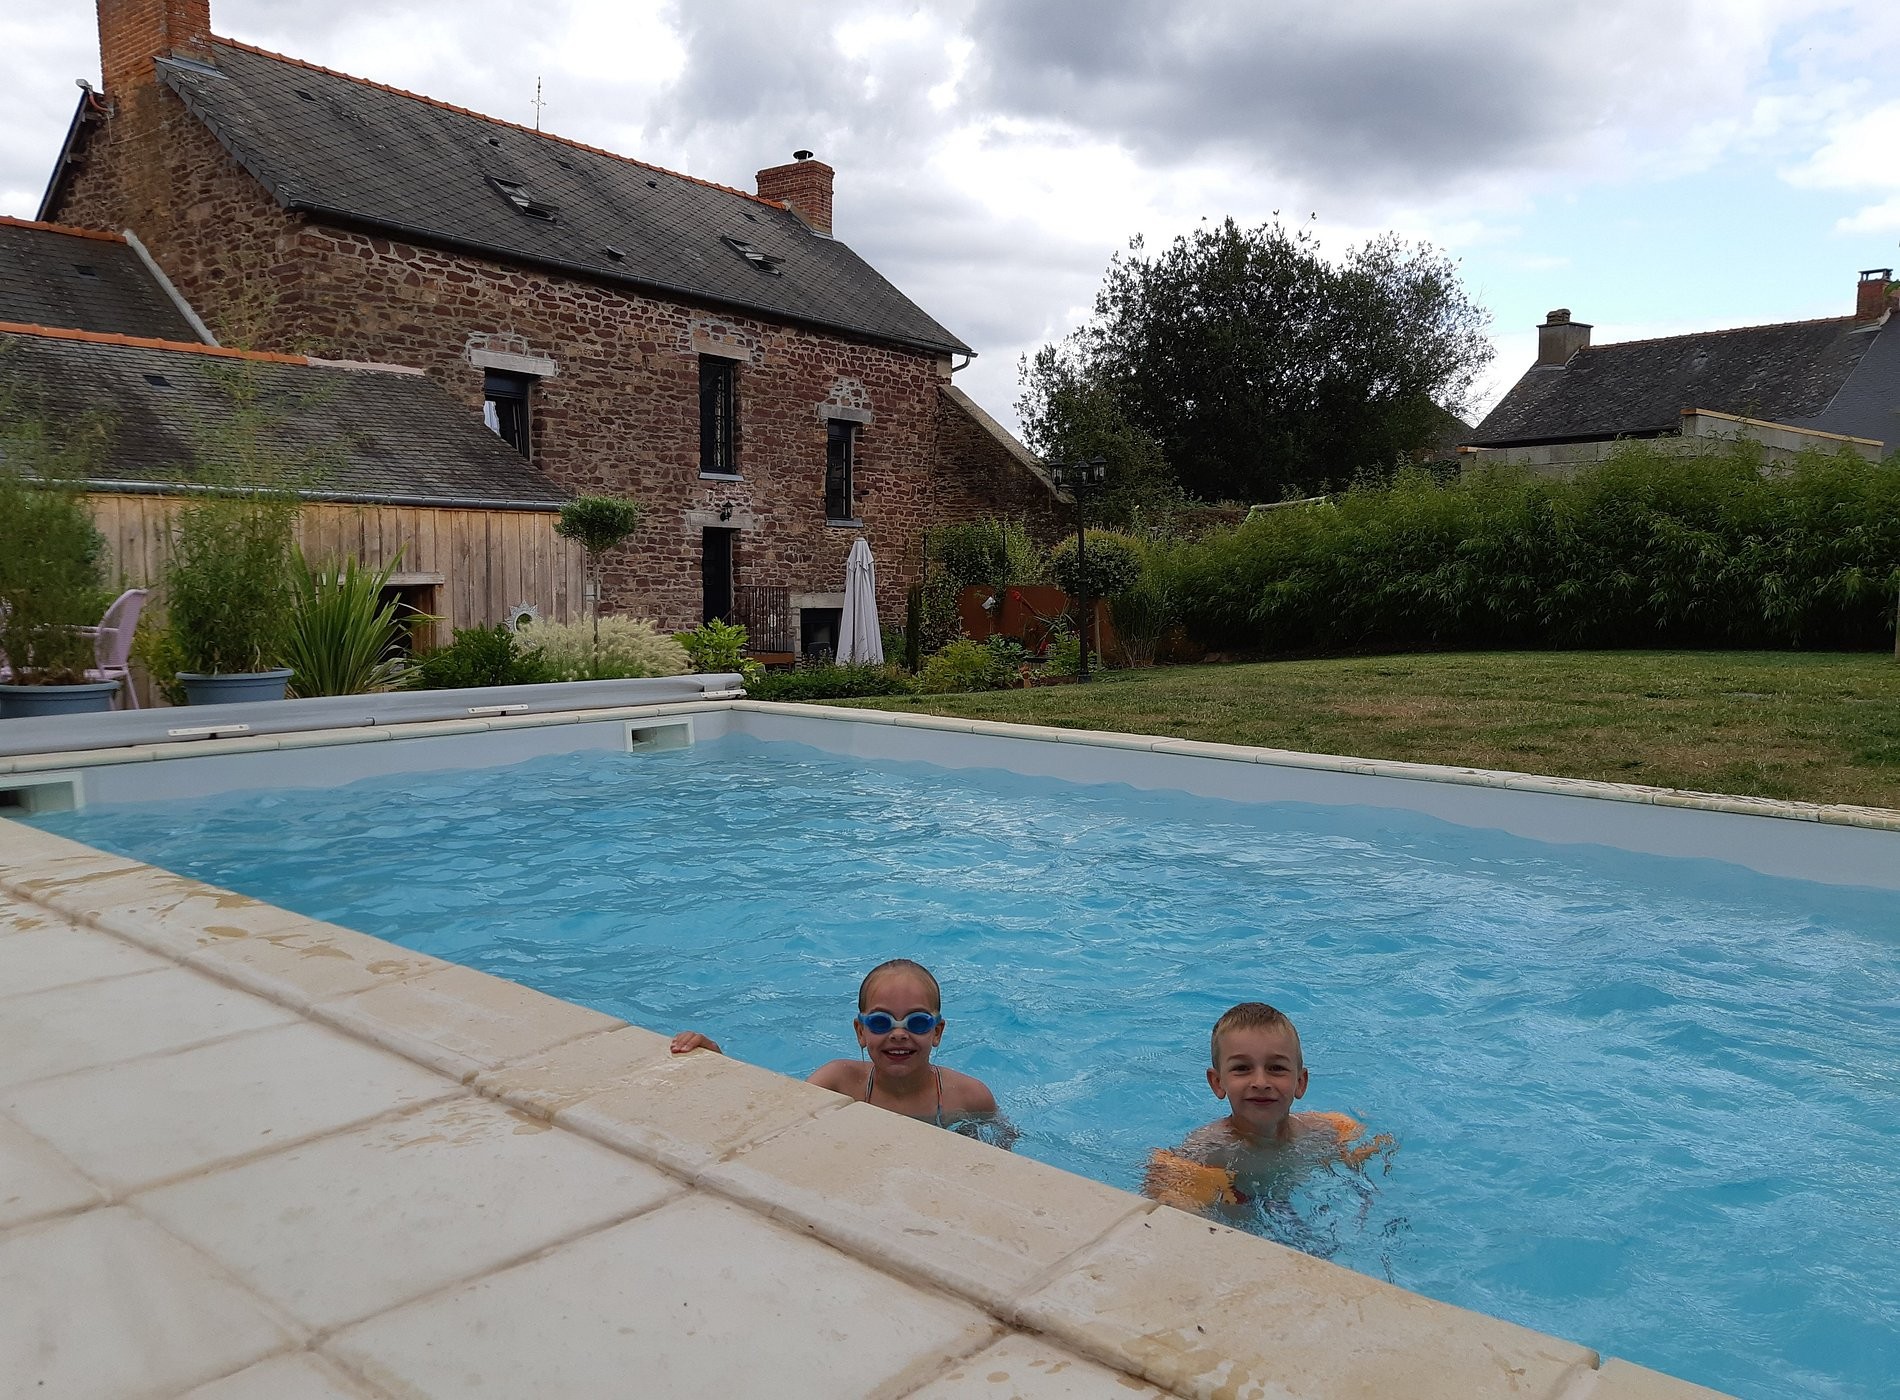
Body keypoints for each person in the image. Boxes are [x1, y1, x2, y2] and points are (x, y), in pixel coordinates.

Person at [670, 958, 1001, 1129]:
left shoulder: (970, 1097)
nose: (898, 1034)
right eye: (881, 1022)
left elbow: (1005, 1153)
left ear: (937, 1032)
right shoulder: (838, 1082)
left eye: (916, 1022)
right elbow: (771, 1113)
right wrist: (719, 1062)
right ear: (860, 1031)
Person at [1144, 1001, 1392, 1212]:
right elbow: (1163, 1196)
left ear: (1300, 1082)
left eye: (1276, 1068)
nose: (1260, 1082)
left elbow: (1369, 1158)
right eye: (1242, 1068)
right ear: (1218, 1083)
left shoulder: (1326, 1131)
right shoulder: (1209, 1151)